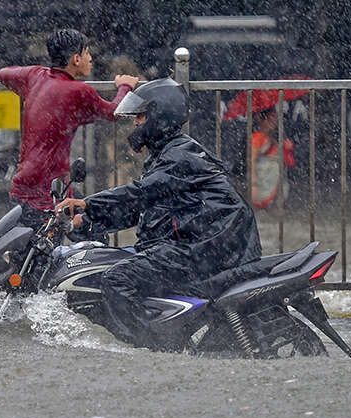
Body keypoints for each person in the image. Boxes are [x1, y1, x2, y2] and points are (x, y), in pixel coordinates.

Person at [55, 78, 262, 350]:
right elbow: (145, 209)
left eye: (140, 116)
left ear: (158, 115)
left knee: (118, 279)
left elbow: (142, 193)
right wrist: (92, 221)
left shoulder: (179, 156)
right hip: (200, 247)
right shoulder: (169, 153)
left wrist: (88, 204)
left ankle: (155, 348)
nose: (135, 124)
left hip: (207, 250)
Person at [0, 28, 139, 230]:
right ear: (76, 59)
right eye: (87, 53)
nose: (91, 58)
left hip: (27, 183)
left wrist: (30, 87)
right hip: (48, 190)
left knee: (42, 246)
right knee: (61, 246)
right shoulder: (79, 90)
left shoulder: (36, 75)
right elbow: (115, 112)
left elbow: (3, 73)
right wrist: (125, 86)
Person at [248, 107, 294, 209]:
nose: (273, 122)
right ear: (262, 120)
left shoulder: (272, 138)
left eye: (275, 119)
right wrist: (254, 184)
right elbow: (252, 161)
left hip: (276, 182)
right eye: (271, 118)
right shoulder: (256, 138)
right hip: (264, 181)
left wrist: (286, 148)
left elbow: (285, 160)